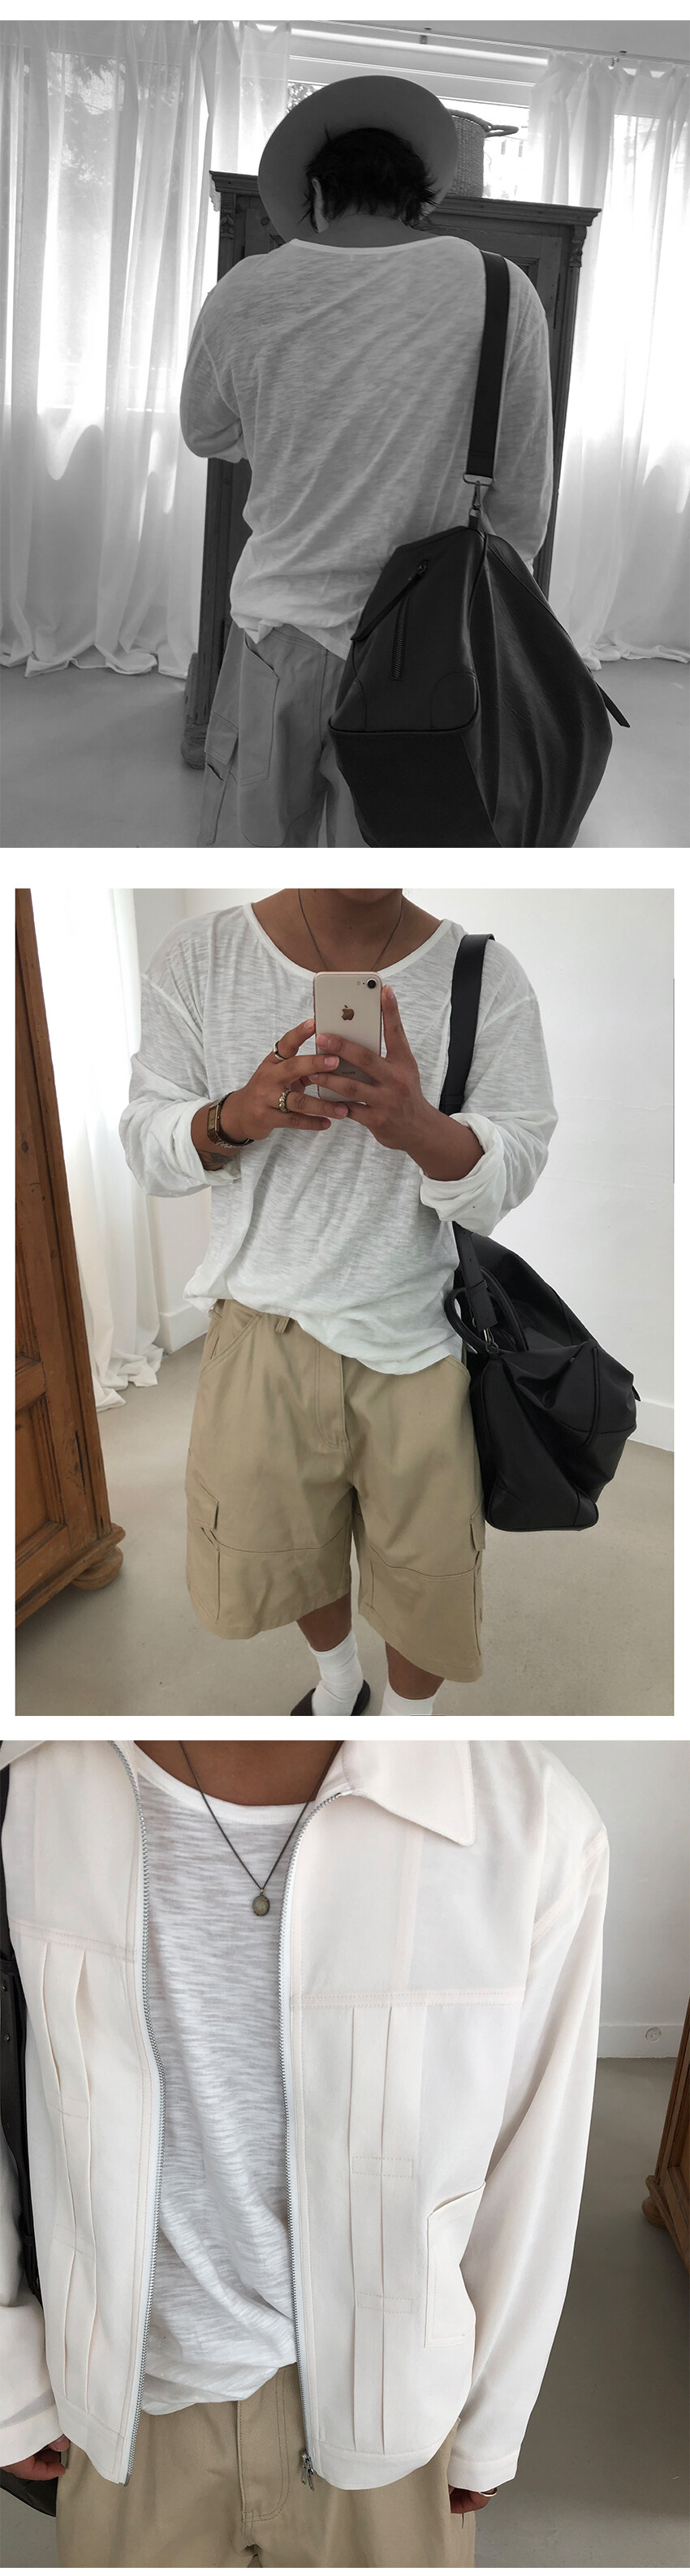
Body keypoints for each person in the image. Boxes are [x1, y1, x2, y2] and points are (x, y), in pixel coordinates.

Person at [0, 1735, 609, 2569]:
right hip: (122, 2406)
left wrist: (490, 2420)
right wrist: (7, 2372)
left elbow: (536, 2153)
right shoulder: (32, 1783)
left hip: (390, 2418)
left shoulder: (530, 1821)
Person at [119, 888, 557, 1719]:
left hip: (418, 1339)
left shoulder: (483, 975)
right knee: (293, 1550)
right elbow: (146, 1143)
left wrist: (417, 1125)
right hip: (261, 1330)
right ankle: (339, 1682)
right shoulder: (199, 956)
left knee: (429, 1578)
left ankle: (407, 1725)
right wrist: (234, 1116)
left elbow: (514, 1167)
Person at [179, 75, 554, 847]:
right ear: (419, 200)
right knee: (382, 866)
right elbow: (521, 510)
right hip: (426, 658)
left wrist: (283, 439)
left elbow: (204, 432)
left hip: (276, 633)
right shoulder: (502, 289)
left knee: (259, 866)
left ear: (317, 196)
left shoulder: (246, 290)